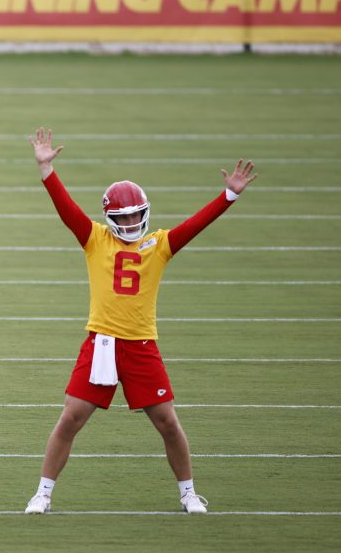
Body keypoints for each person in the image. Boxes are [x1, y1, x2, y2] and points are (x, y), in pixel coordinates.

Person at [23, 128, 257, 515]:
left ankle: (188, 493)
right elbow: (66, 210)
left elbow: (196, 225)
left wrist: (228, 195)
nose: (131, 221)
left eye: (135, 214)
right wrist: (47, 170)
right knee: (70, 419)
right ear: (110, 217)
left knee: (167, 422)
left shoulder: (160, 244)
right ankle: (43, 493)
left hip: (141, 345)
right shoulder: (95, 239)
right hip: (101, 343)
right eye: (123, 215)